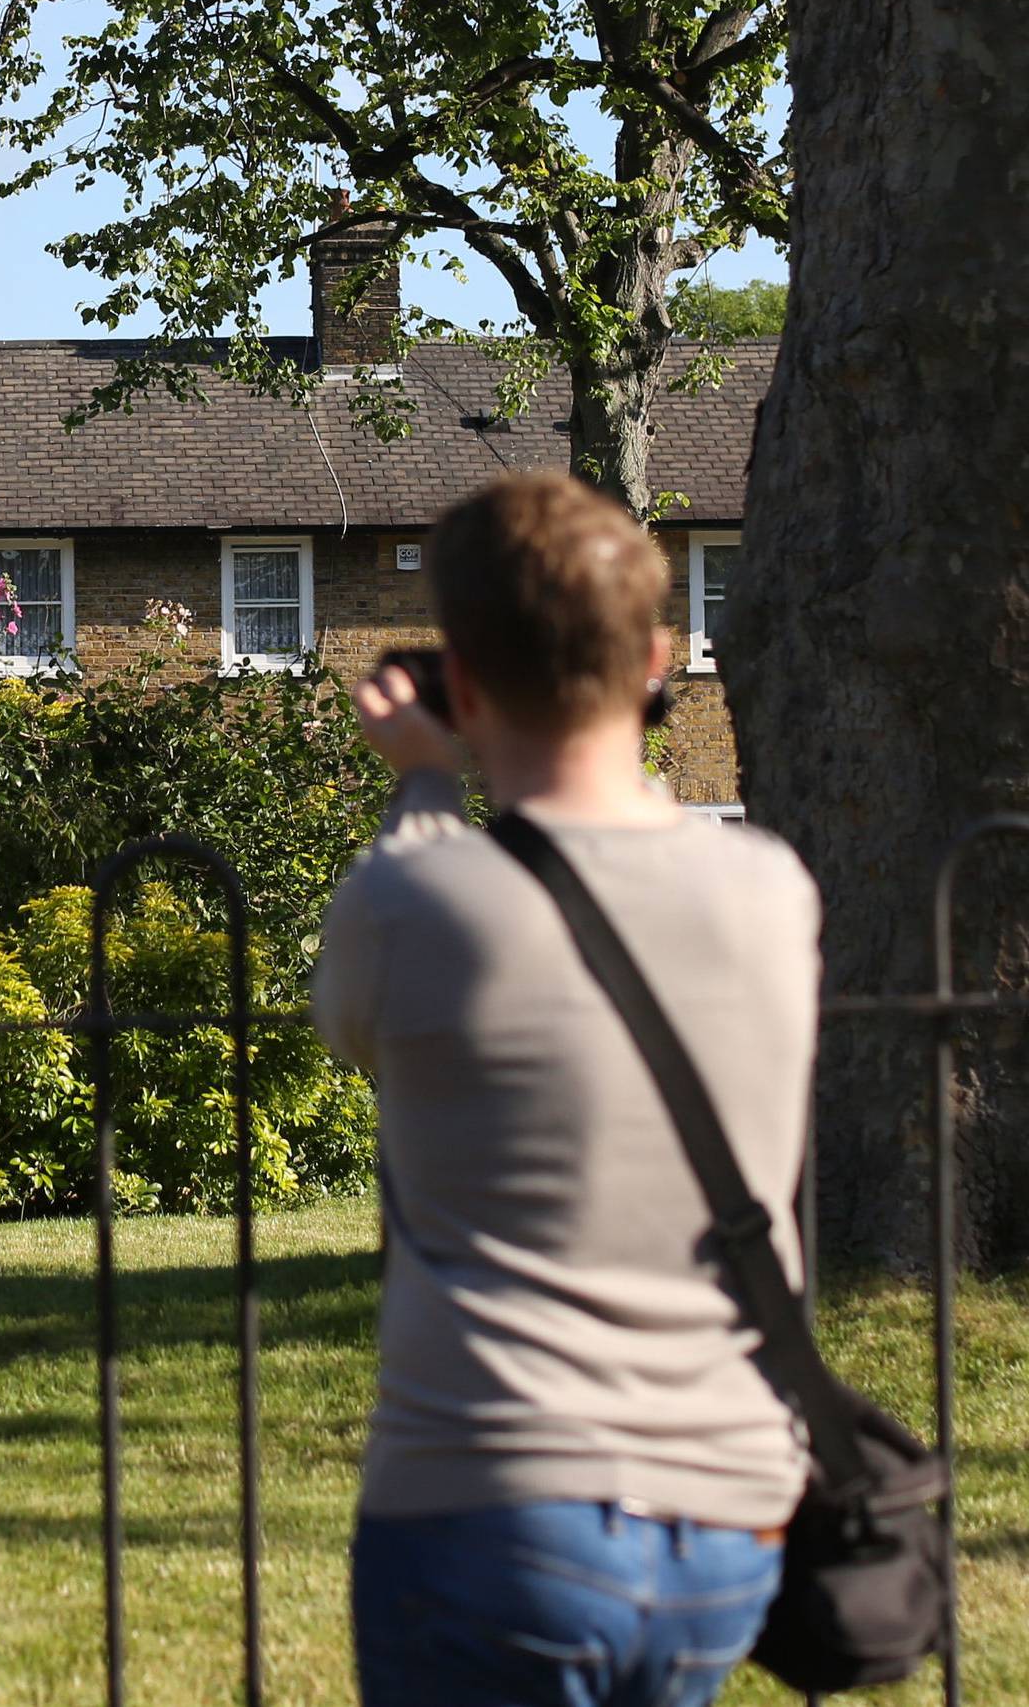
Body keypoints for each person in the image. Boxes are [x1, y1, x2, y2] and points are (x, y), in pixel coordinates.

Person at [313, 472, 820, 1707]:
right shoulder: (773, 888)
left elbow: (351, 1031)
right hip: (727, 1519)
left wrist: (426, 784)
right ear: (658, 661)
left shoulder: (416, 895)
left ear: (464, 682)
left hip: (494, 1499)